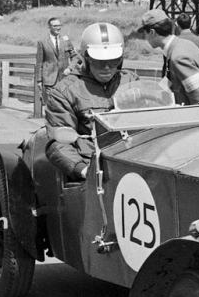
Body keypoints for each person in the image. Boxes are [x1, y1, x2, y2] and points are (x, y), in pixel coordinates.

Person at [45, 22, 138, 180]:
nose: (107, 67)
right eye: (99, 61)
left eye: (113, 61)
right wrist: (83, 170)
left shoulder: (131, 81)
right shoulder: (64, 92)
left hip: (134, 162)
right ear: (85, 58)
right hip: (93, 169)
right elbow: (58, 143)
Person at [138, 9, 199, 106]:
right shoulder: (181, 45)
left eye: (144, 34)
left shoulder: (179, 57)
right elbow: (168, 83)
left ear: (152, 32)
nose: (145, 38)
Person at [36, 17, 76, 105]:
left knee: (64, 105)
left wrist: (70, 68)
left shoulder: (66, 40)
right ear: (49, 27)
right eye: (55, 26)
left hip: (64, 79)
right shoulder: (42, 42)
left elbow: (75, 57)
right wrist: (39, 80)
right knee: (51, 105)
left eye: (59, 25)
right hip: (49, 80)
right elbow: (39, 62)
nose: (58, 28)